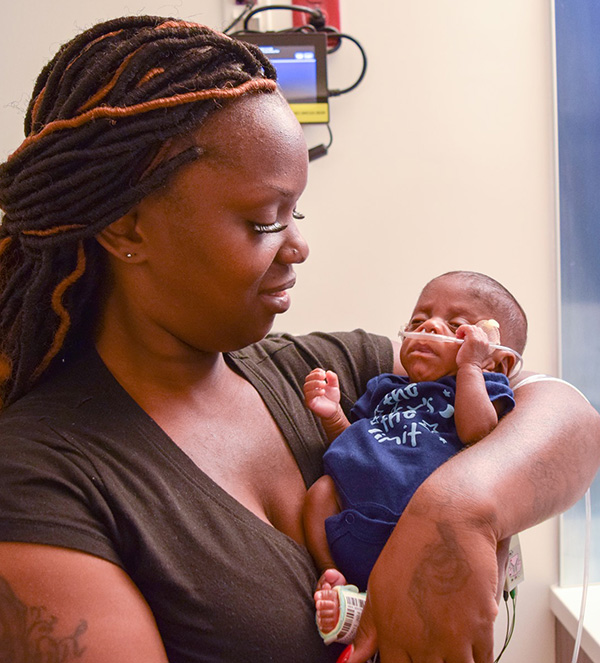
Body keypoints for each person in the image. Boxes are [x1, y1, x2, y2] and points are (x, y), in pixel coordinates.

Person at [0, 16, 598, 663]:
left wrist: (459, 507)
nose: (299, 245)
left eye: (298, 212)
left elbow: (566, 414)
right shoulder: (38, 478)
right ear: (127, 229)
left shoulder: (328, 367)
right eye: (265, 221)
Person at [302, 271, 525, 645]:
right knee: (320, 493)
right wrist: (332, 415)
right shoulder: (384, 388)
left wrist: (470, 368)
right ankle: (333, 576)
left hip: (418, 530)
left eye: (456, 326)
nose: (430, 327)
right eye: (419, 320)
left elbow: (478, 433)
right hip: (354, 519)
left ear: (496, 359)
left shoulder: (479, 387)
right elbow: (355, 448)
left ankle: (382, 613)